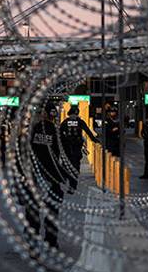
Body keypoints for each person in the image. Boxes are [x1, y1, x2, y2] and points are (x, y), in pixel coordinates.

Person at [28, 103, 65, 249]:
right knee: (52, 211)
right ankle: (51, 240)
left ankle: (33, 239)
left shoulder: (34, 130)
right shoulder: (56, 131)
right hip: (52, 176)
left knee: (33, 210)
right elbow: (62, 154)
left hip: (35, 174)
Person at [59, 105, 98, 190]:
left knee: (67, 165)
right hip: (75, 148)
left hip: (67, 148)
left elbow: (59, 134)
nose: (74, 116)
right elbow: (88, 131)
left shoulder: (65, 122)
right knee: (75, 166)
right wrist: (94, 140)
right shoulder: (80, 122)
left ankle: (67, 181)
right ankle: (72, 185)